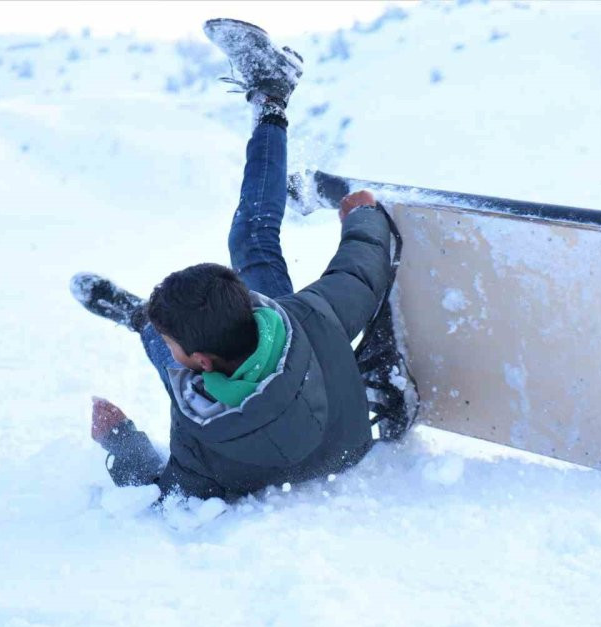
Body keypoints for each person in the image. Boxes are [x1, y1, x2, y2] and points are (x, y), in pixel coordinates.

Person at [70, 19, 392, 500]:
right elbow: (359, 274)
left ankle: (137, 316)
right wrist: (363, 216)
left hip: (330, 452)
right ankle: (271, 97)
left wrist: (118, 438)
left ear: (201, 362)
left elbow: (162, 495)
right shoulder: (312, 315)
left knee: (160, 348)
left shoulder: (202, 447)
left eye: (180, 346)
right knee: (252, 238)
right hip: (345, 443)